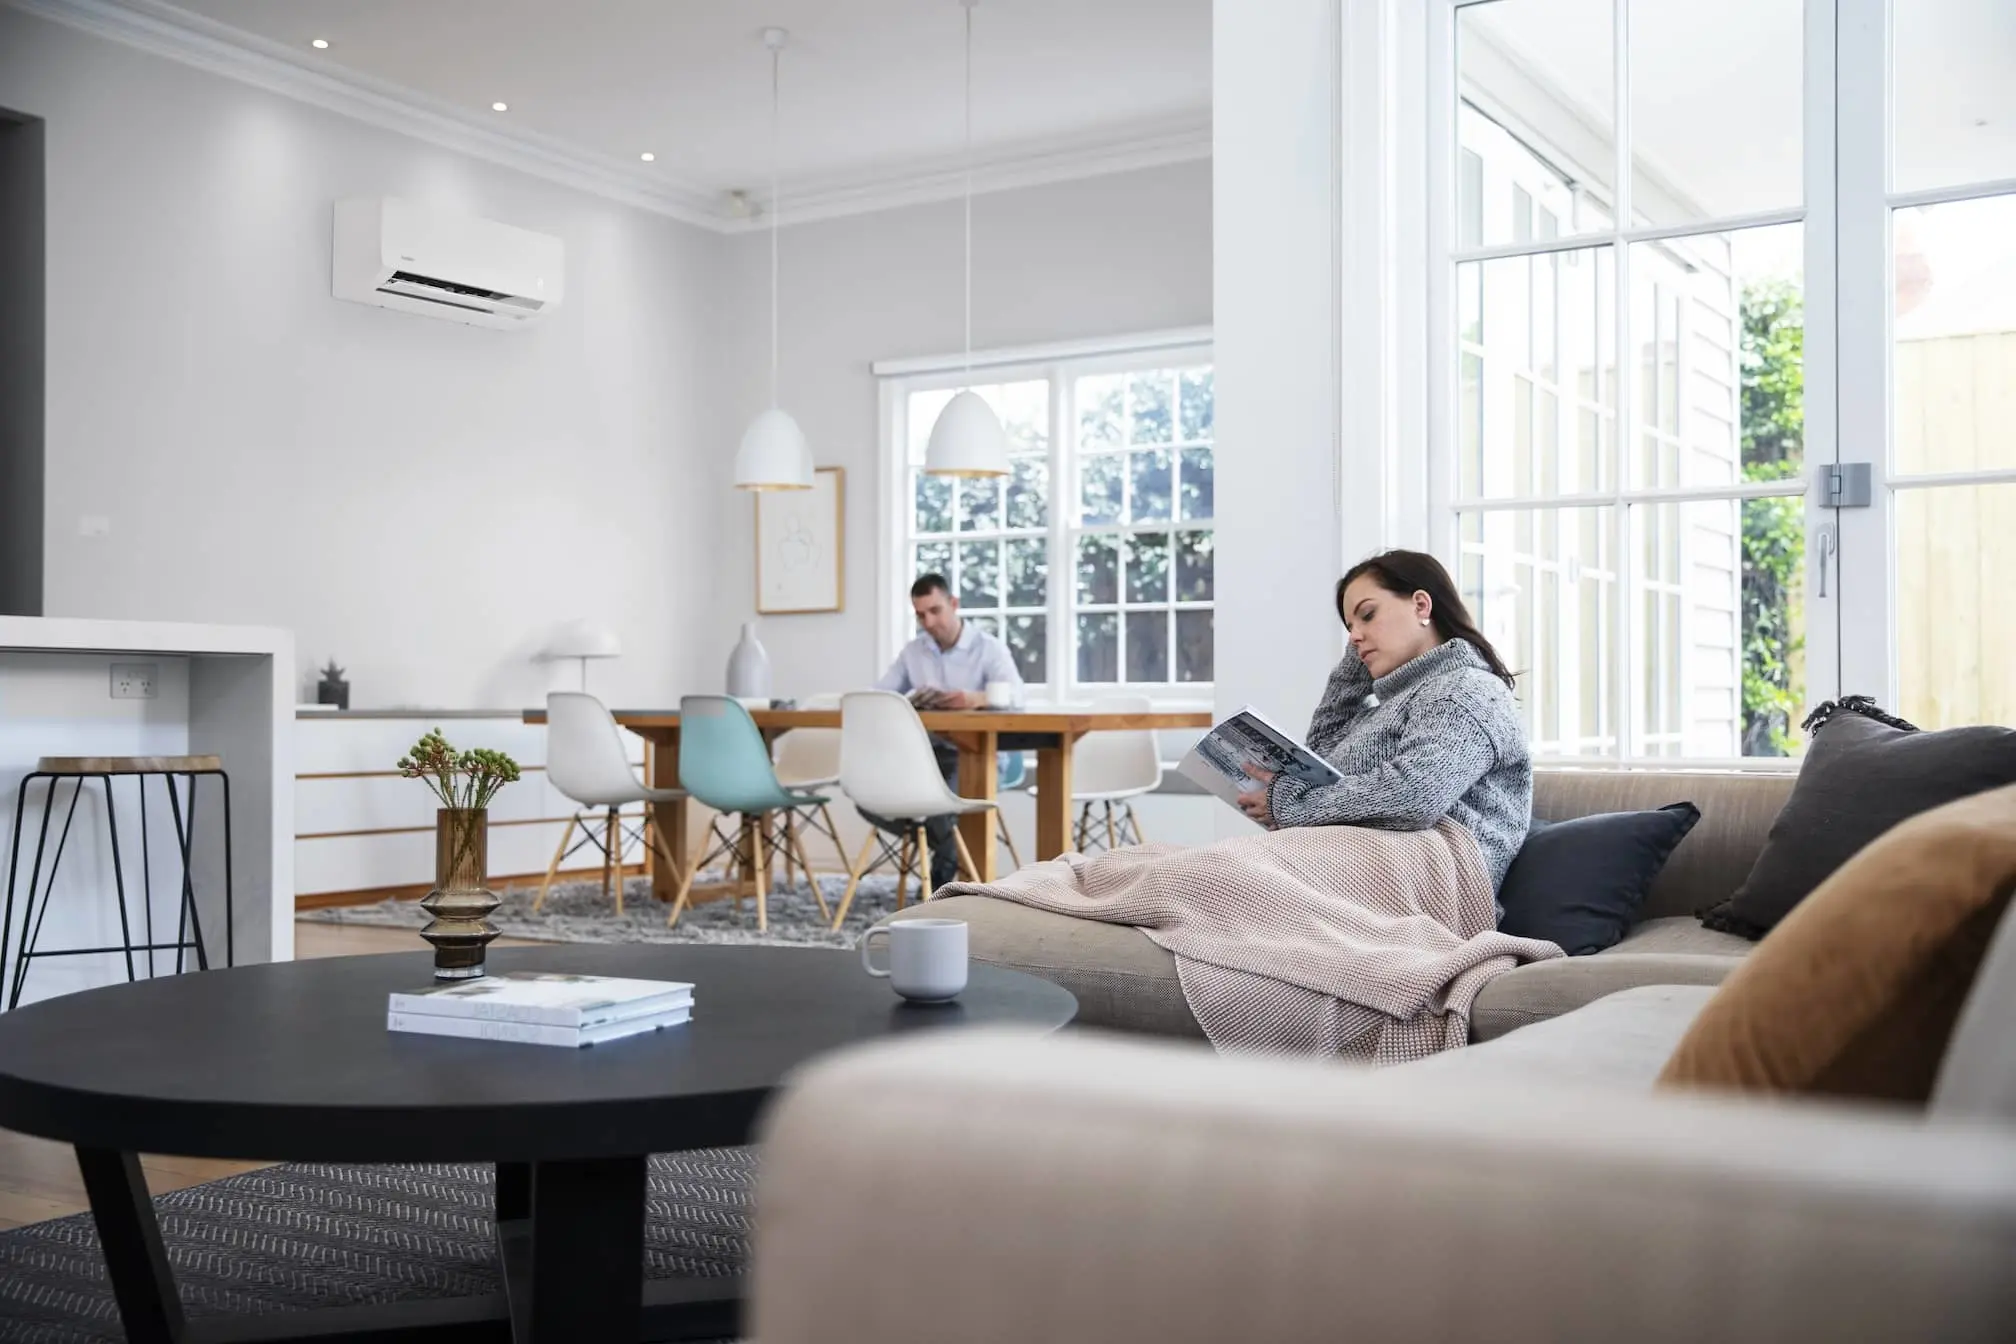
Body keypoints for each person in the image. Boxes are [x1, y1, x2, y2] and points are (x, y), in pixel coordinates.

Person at [1235, 549, 1532, 894]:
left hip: (1430, 884)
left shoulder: (1466, 690)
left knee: (1200, 878)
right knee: (1177, 873)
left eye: (1368, 614)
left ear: (1421, 605)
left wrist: (1289, 805)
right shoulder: (1381, 710)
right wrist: (1358, 655)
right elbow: (1319, 759)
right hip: (1360, 869)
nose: (1355, 636)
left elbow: (1416, 795)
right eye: (1349, 628)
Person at [865, 574, 1024, 889]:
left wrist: (975, 699)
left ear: (953, 604)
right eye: (920, 615)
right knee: (868, 791)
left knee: (943, 801)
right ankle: (946, 849)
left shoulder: (988, 648)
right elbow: (880, 695)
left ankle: (941, 879)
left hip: (977, 755)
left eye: (935, 611)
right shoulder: (914, 652)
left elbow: (1018, 697)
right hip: (929, 754)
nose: (928, 622)